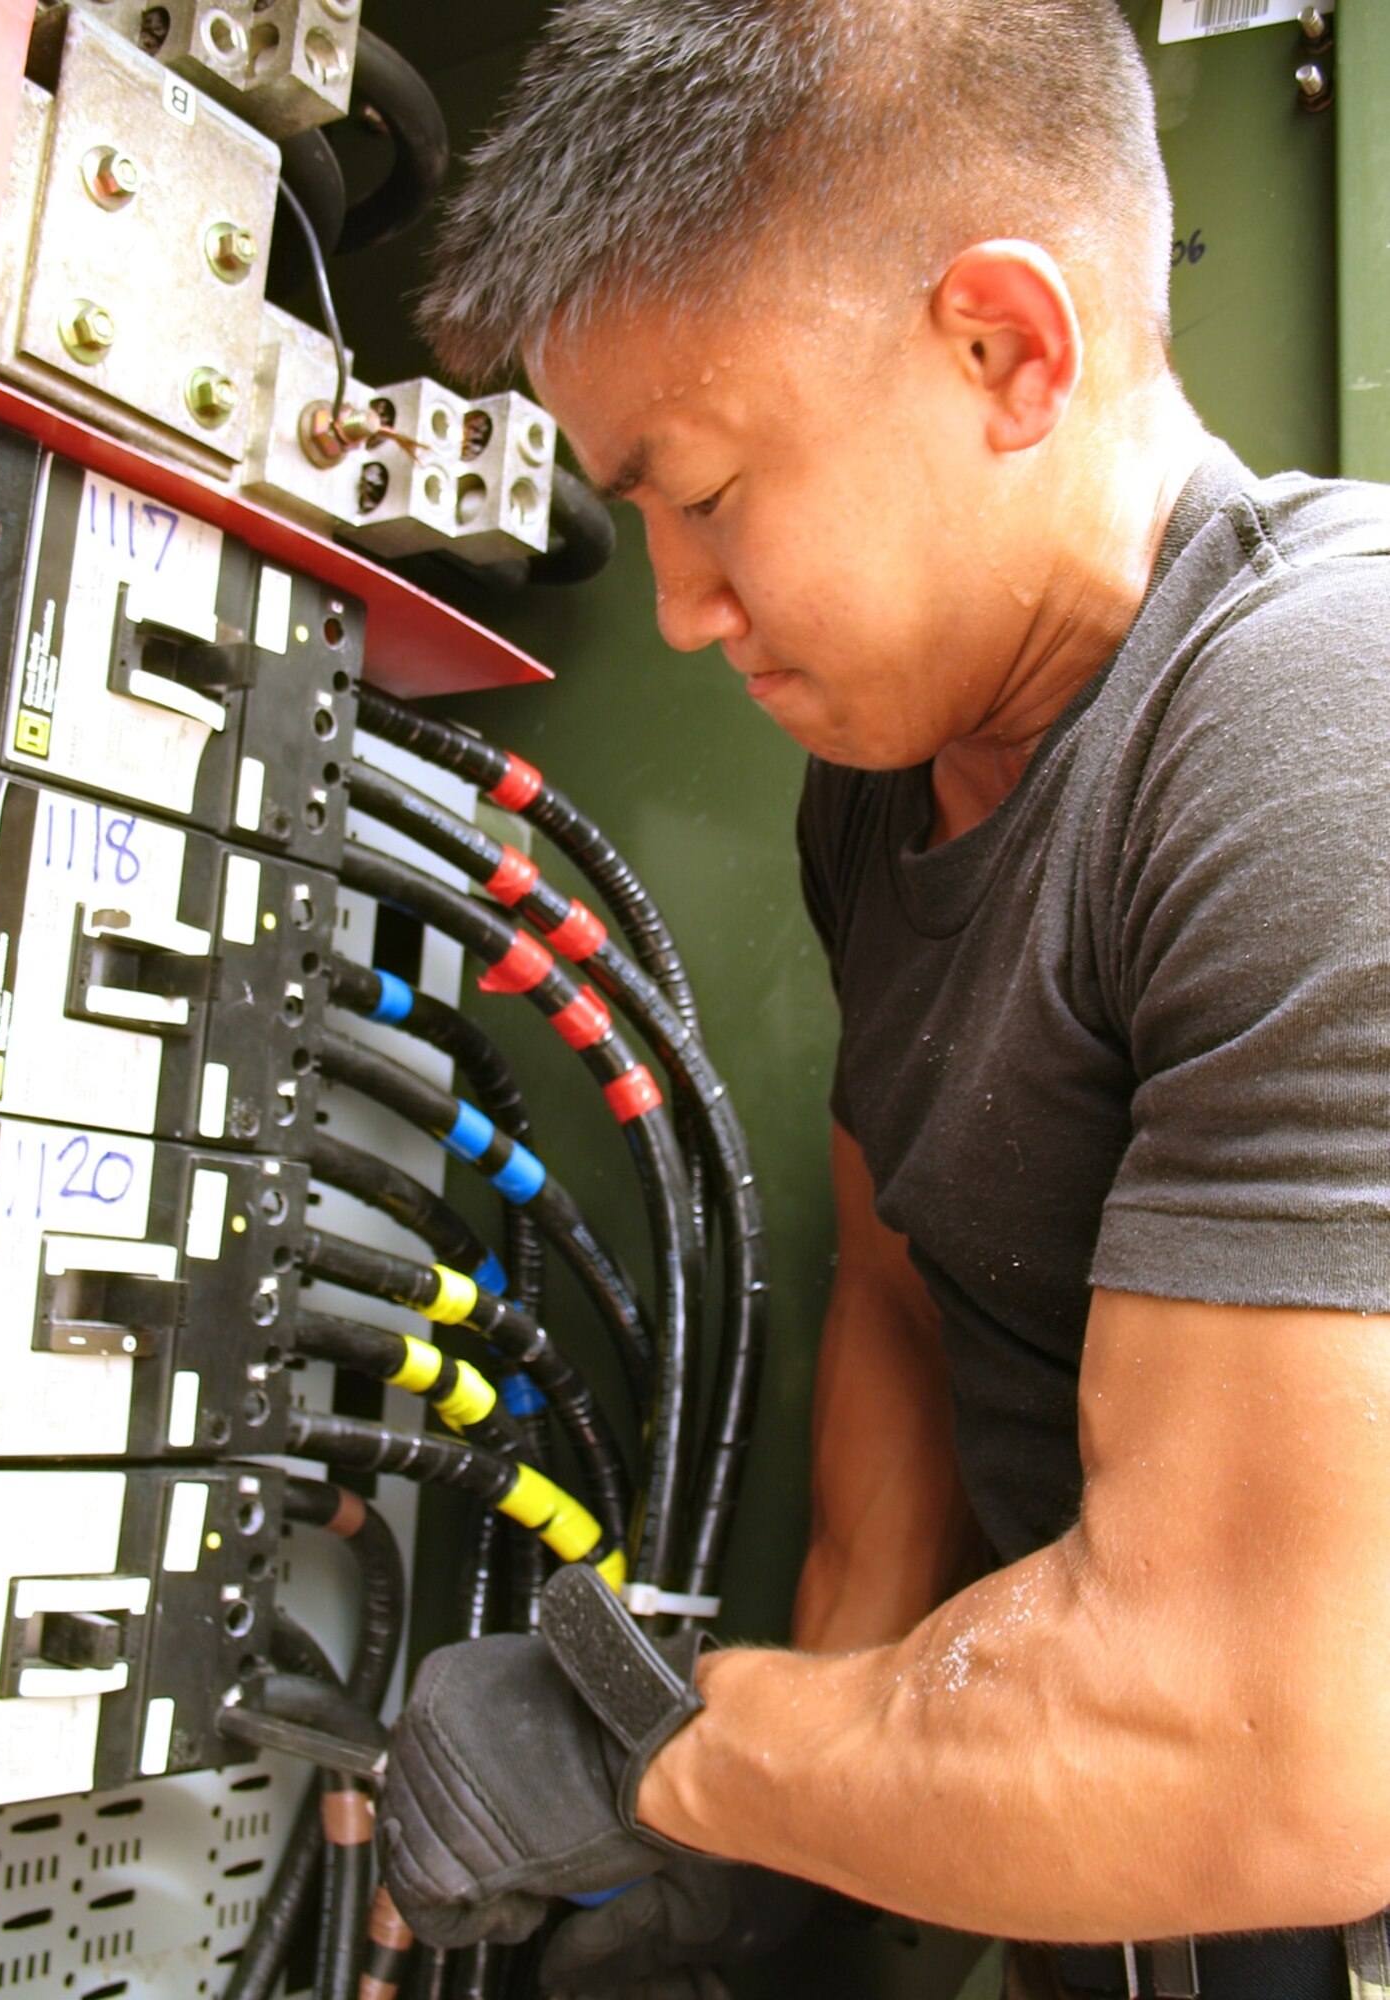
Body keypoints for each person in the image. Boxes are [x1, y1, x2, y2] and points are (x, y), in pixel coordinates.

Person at [377, 4, 1390, 1995]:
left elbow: (1262, 1745)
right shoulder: (885, 782)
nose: (674, 604)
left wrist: (674, 1760)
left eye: (710, 492)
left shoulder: (1313, 720)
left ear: (1003, 350)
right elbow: (913, 1291)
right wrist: (797, 1863)